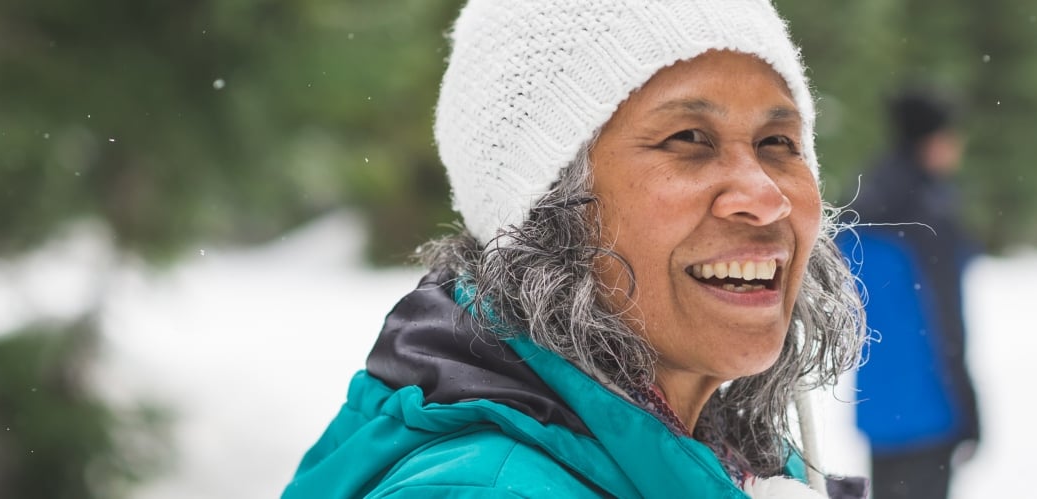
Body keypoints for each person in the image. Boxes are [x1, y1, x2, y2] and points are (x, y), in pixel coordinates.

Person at [283, 1, 869, 497]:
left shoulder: (737, 462)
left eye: (777, 143)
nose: (766, 198)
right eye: (688, 138)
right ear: (544, 209)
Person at [839, 89, 981, 499]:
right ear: (931, 140)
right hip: (930, 409)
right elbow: (944, 322)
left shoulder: (864, 199)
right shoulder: (928, 214)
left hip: (880, 406)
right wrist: (968, 408)